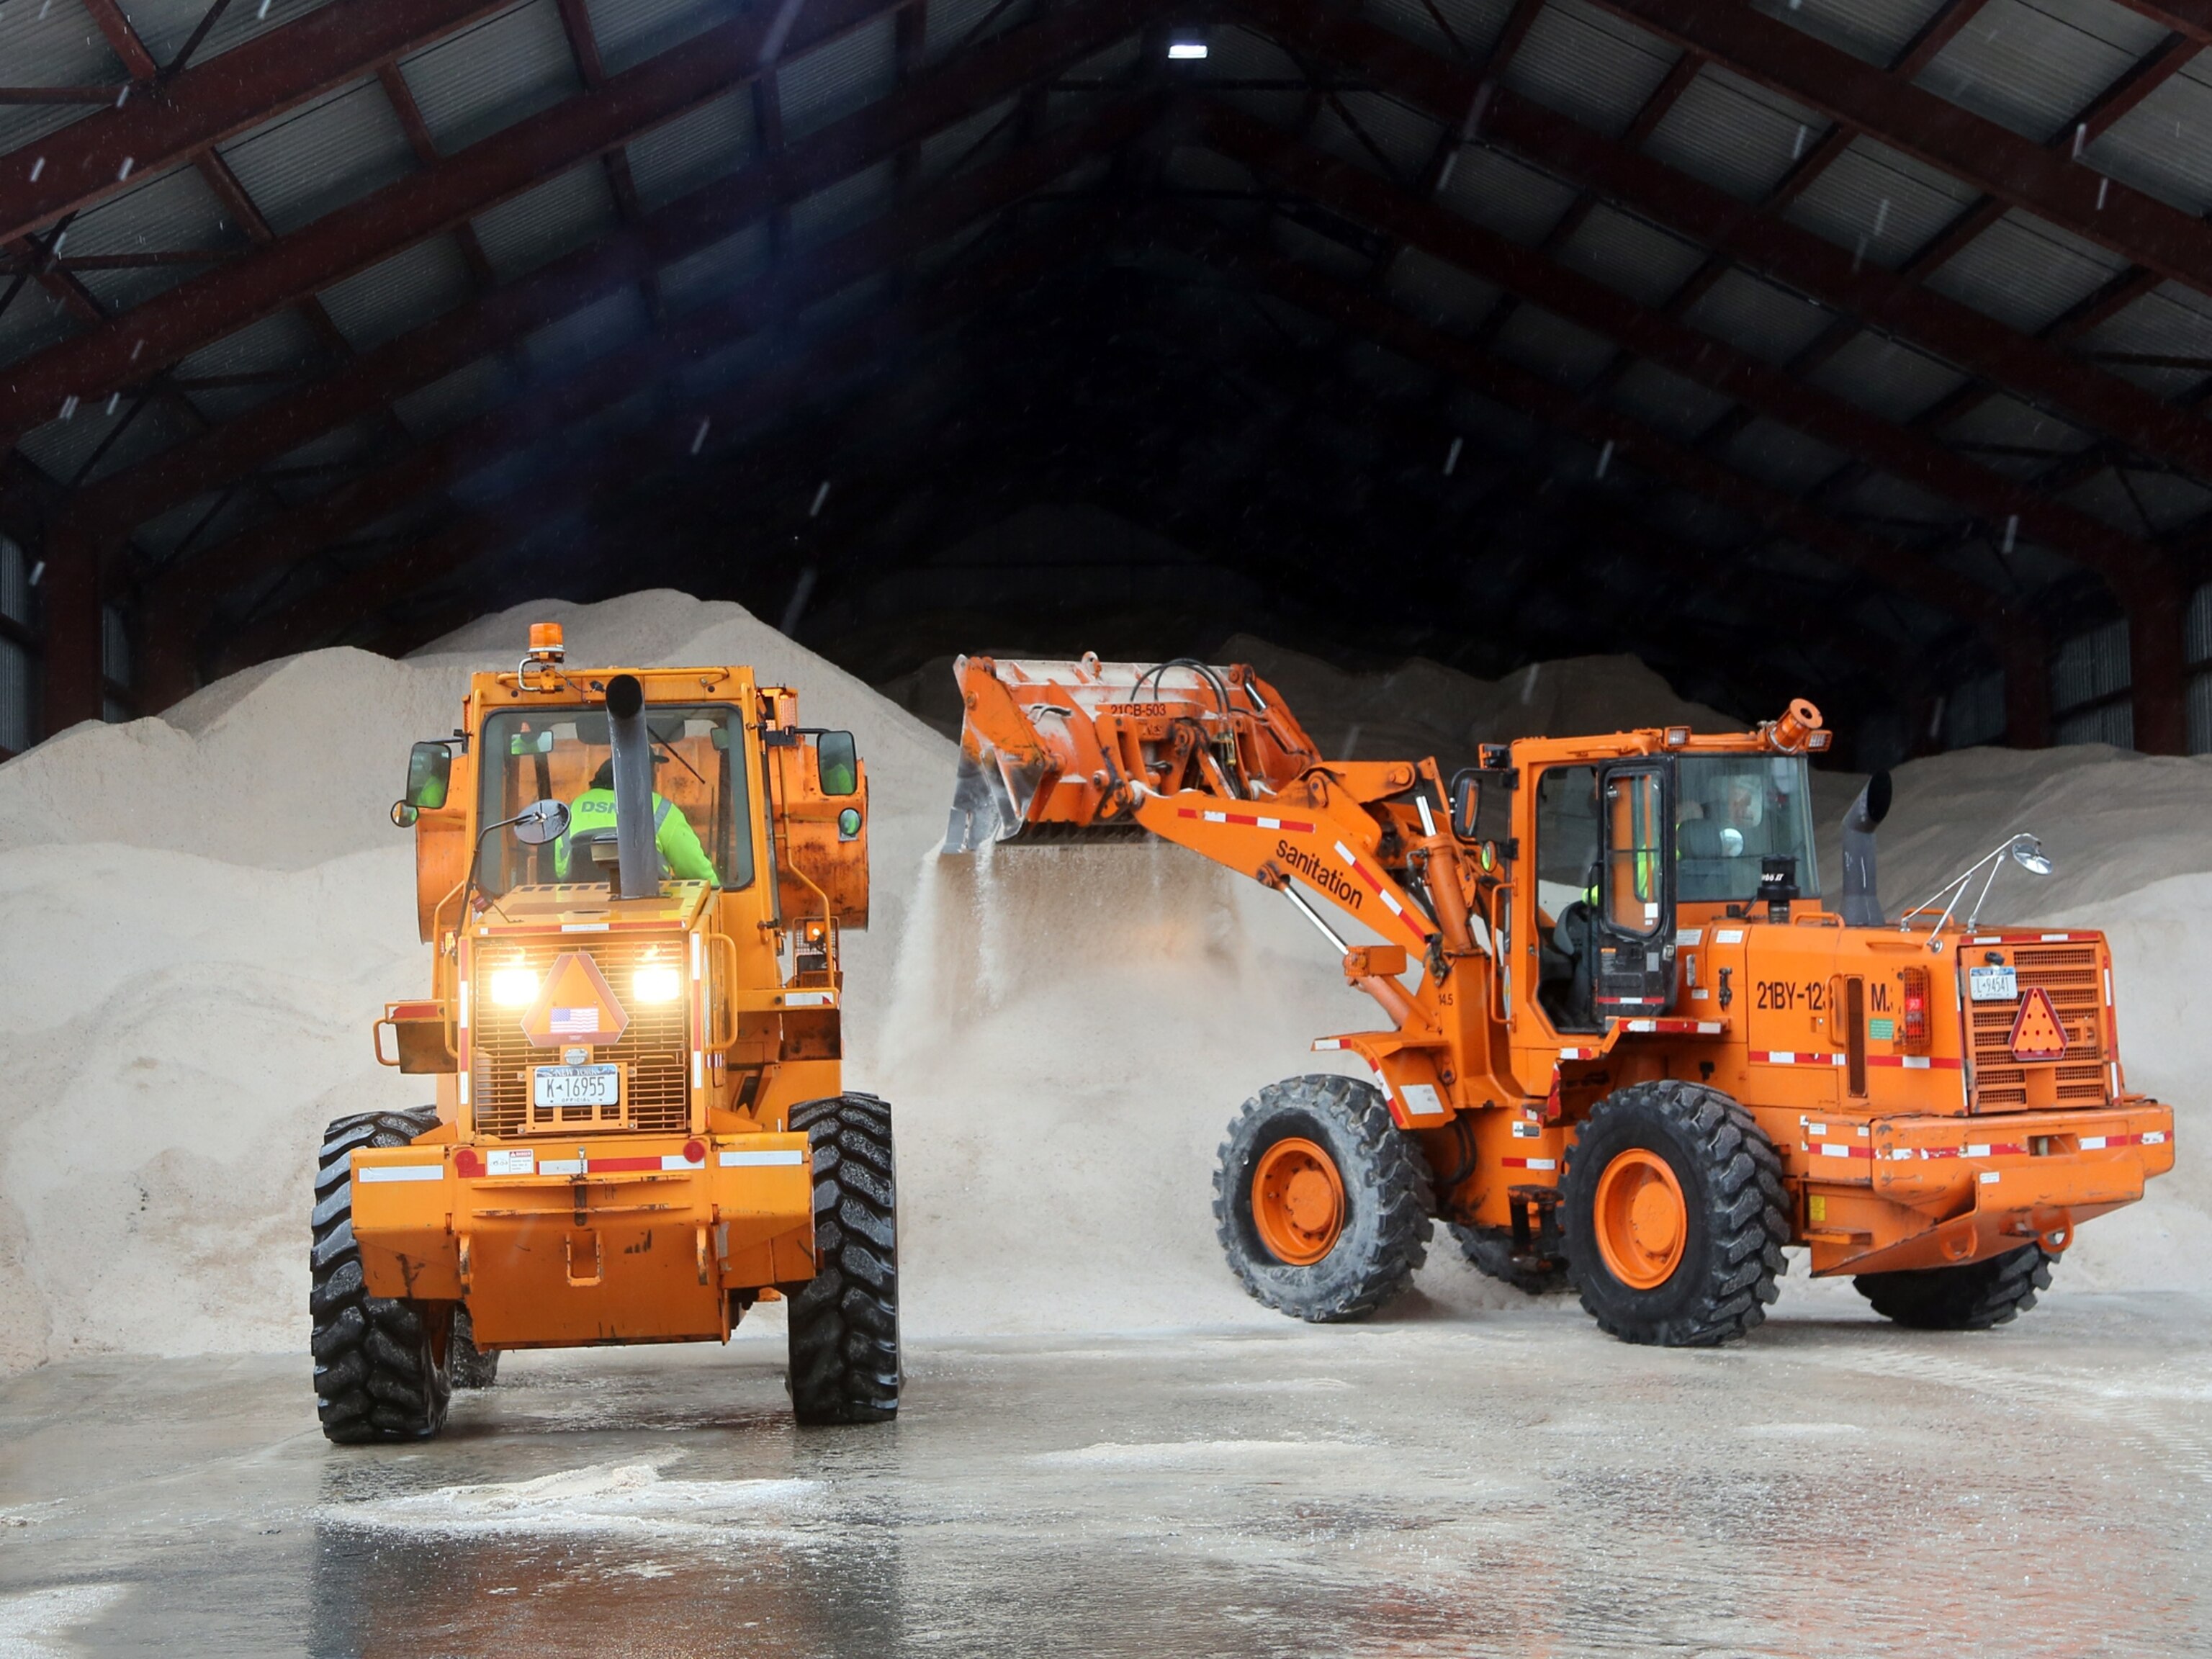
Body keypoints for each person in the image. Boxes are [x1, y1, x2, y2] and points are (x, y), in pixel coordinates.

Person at [554, 757, 719, 884]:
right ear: (645, 777)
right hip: (653, 911)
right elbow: (696, 872)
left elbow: (560, 869)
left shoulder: (571, 809)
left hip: (580, 914)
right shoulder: (660, 807)